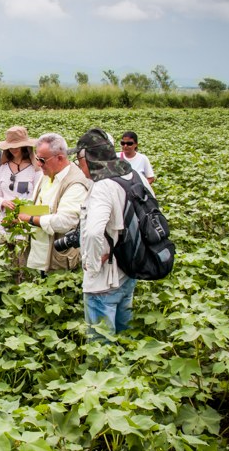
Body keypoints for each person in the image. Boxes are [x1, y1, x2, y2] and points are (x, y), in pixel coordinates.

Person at [74, 129, 154, 333]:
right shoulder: (135, 176)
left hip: (104, 280)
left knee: (102, 345)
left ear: (89, 158)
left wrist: (91, 265)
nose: (78, 165)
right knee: (123, 335)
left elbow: (93, 233)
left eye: (79, 159)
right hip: (129, 269)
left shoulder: (103, 186)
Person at [15, 133, 90, 273]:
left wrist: (31, 219)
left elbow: (65, 221)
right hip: (38, 256)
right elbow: (36, 203)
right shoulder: (47, 174)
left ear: (60, 158)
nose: (38, 164)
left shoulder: (75, 183)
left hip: (57, 261)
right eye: (37, 159)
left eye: (42, 160)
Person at [0, 126, 42, 214]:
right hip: (5, 220)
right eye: (11, 147)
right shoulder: (3, 168)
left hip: (26, 220)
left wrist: (21, 207)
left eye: (18, 146)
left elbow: (38, 198)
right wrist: (3, 202)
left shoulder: (35, 169)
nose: (14, 149)